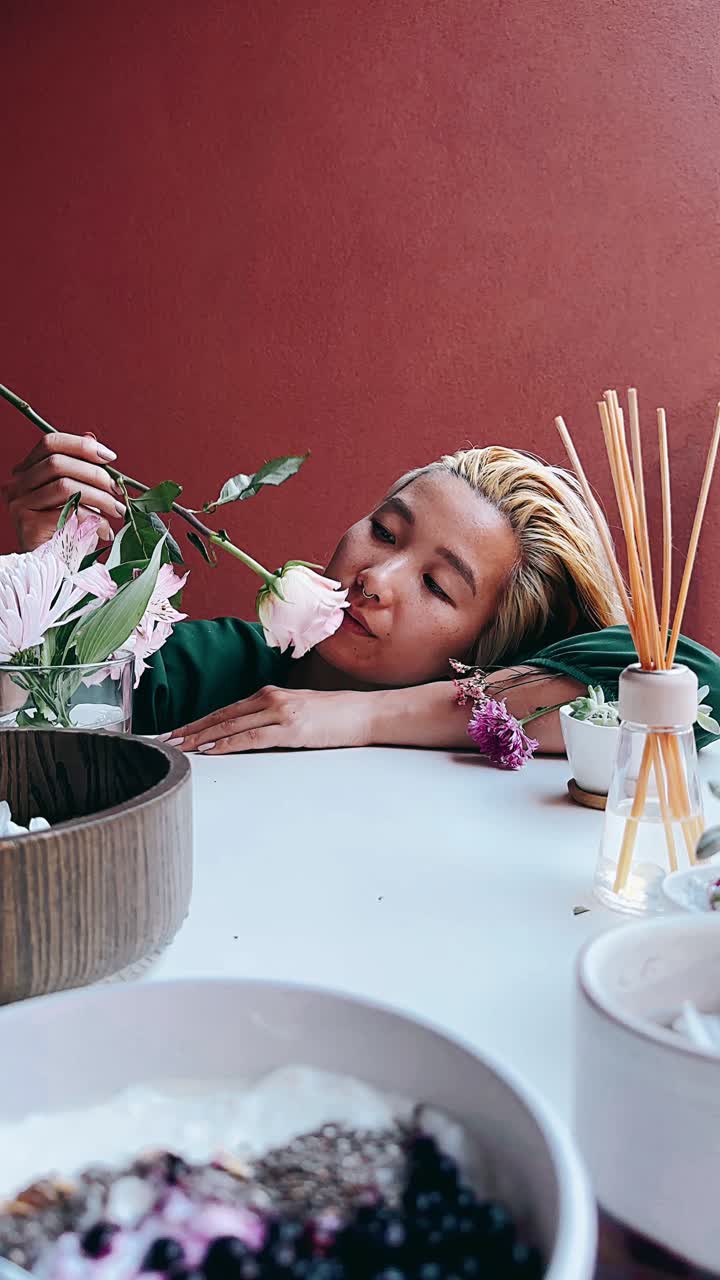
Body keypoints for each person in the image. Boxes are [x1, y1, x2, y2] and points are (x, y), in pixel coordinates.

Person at [5, 431, 720, 757]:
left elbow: (689, 682)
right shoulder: (221, 664)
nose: (376, 576)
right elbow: (38, 717)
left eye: (437, 585)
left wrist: (359, 718)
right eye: (383, 531)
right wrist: (41, 567)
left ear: (484, 649)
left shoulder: (485, 736)